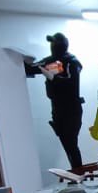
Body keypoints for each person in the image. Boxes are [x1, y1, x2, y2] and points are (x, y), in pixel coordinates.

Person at [26, 32, 85, 171]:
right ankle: (77, 171)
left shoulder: (71, 61)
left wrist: (53, 78)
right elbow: (33, 68)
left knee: (70, 144)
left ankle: (78, 171)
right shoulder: (53, 61)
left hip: (71, 109)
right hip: (58, 108)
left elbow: (72, 82)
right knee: (68, 143)